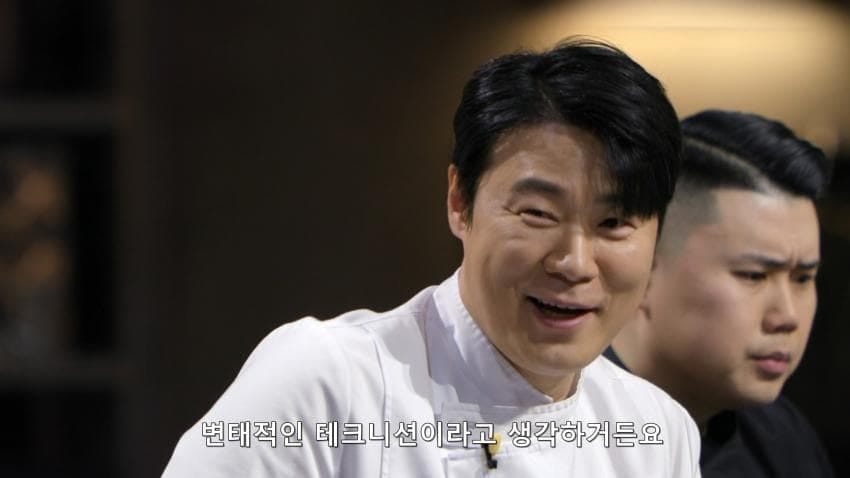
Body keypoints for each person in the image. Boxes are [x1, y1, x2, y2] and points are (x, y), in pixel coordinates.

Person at [162, 39, 701, 477]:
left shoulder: (656, 431)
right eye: (538, 213)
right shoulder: (328, 380)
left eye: (614, 224)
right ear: (460, 202)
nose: (575, 263)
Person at [608, 109, 835, 477]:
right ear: (644, 269)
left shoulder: (780, 437)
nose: (787, 317)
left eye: (803, 278)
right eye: (754, 276)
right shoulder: (548, 438)